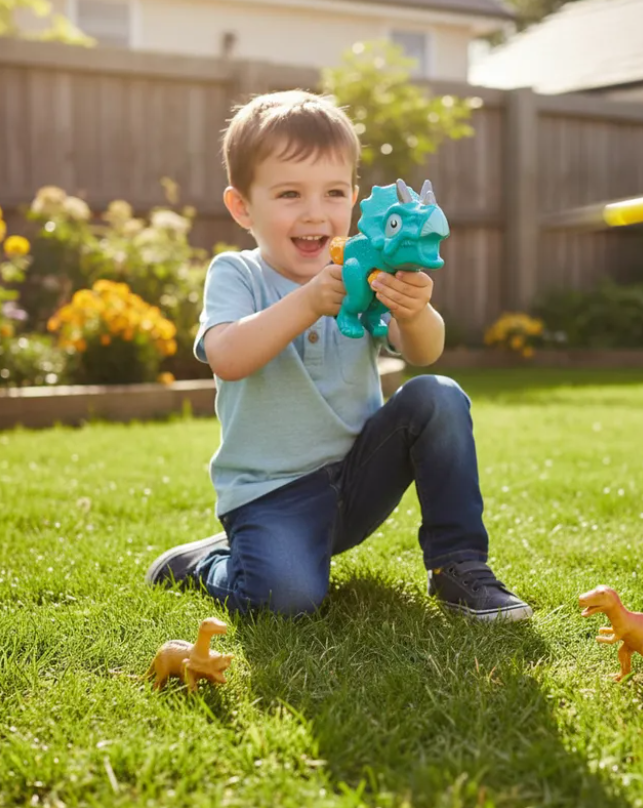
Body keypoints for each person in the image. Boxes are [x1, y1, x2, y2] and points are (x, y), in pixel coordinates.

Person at [145, 90, 531, 621]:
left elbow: (425, 353)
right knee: (286, 601)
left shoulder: (370, 272)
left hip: (358, 478)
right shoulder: (237, 273)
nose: (314, 213)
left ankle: (458, 567)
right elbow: (227, 357)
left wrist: (416, 312)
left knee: (437, 397)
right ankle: (211, 561)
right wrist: (306, 303)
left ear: (353, 199)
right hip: (271, 496)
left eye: (332, 193)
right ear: (242, 207)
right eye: (288, 194)